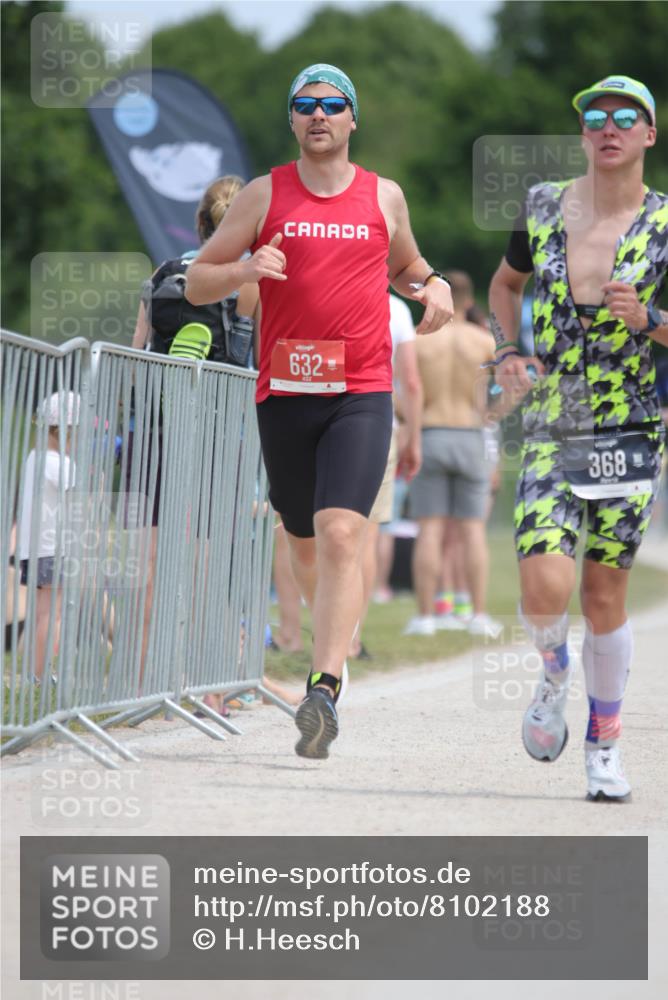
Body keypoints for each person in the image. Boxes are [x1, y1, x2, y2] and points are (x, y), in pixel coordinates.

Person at [186, 63, 453, 758]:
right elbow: (195, 280)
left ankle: (325, 687)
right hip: (285, 393)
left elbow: (406, 265)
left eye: (333, 105)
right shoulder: (263, 193)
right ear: (294, 120)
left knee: (342, 533)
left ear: (352, 119)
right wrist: (245, 270)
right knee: (303, 538)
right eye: (305, 105)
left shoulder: (384, 196)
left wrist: (435, 286)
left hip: (361, 390)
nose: (319, 115)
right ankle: (328, 631)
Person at [489, 75, 667, 801]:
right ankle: (554, 666)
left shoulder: (665, 224)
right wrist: (506, 351)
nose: (609, 127)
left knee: (602, 594)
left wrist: (648, 323)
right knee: (542, 587)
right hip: (555, 416)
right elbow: (505, 286)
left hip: (630, 424)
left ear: (649, 135)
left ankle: (603, 746)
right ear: (584, 133)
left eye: (627, 117)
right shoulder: (542, 208)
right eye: (596, 117)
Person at [131, 175, 259, 714]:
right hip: (222, 432)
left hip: (163, 429)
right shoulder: (252, 280)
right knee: (212, 562)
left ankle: (141, 687)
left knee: (155, 559)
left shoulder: (163, 274)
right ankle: (213, 688)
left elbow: (137, 354)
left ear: (199, 224)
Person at [405, 271, 501, 637]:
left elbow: (400, 387)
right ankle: (477, 615)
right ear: (470, 301)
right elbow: (519, 379)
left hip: (429, 432)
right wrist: (494, 412)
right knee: (472, 530)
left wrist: (406, 418)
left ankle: (426, 617)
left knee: (429, 530)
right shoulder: (483, 340)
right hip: (471, 433)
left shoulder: (417, 341)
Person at [350, 292, 423, 655]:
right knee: (368, 531)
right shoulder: (397, 309)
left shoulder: (329, 289)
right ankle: (352, 638)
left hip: (317, 415)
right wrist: (414, 437)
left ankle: (292, 629)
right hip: (377, 422)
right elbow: (409, 380)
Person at [15, 391, 79, 681]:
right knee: (51, 614)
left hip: (33, 547)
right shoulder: (60, 464)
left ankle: (34, 671)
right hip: (52, 547)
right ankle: (40, 674)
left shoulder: (34, 458)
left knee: (40, 612)